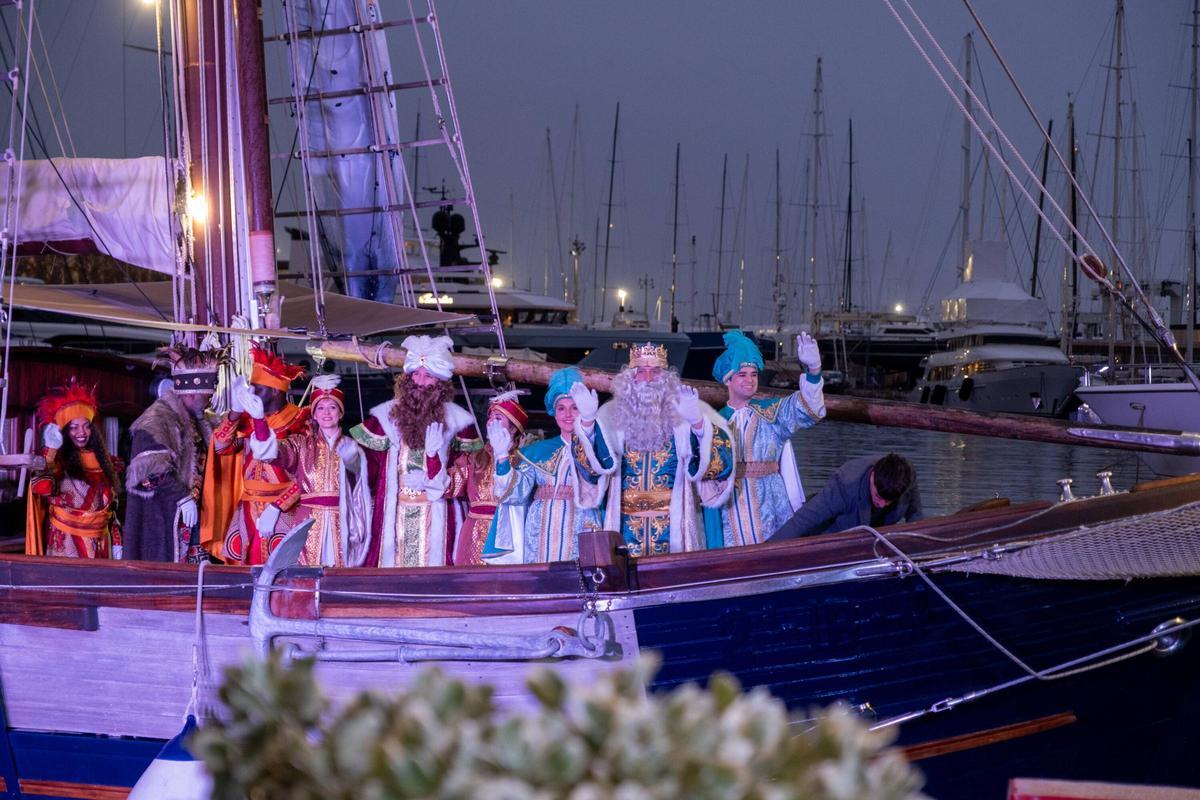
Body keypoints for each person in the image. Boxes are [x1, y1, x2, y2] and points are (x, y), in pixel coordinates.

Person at [587, 343, 734, 556]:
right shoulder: (608, 415)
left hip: (676, 528)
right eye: (641, 372)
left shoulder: (687, 412)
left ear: (666, 379)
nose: (647, 379)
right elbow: (590, 470)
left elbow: (722, 464)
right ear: (629, 379)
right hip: (623, 529)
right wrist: (587, 425)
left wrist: (699, 425)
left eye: (655, 372)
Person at [350, 335, 473, 567]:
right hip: (394, 514)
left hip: (438, 516)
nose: (419, 381)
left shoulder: (458, 423)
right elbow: (369, 467)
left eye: (427, 376)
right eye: (415, 374)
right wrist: (352, 460)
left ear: (440, 383)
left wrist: (432, 475)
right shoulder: (386, 417)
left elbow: (466, 478)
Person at [703, 330, 826, 548]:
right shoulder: (713, 423)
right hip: (729, 505)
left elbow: (808, 410)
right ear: (728, 380)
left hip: (772, 503)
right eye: (742, 375)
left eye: (754, 374)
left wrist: (814, 371)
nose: (750, 380)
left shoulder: (771, 414)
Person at [483, 368, 607, 564]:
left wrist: (589, 426)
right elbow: (515, 494)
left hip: (581, 525)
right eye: (561, 408)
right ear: (554, 413)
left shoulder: (598, 447)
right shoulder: (536, 452)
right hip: (538, 532)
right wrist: (501, 457)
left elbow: (596, 476)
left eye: (574, 407)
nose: (567, 414)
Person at [205, 345, 309, 565]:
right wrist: (234, 411)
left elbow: (309, 476)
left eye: (257, 388)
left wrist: (278, 505)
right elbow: (221, 448)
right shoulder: (248, 418)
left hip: (286, 509)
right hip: (248, 508)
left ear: (274, 391)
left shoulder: (301, 420)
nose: (251, 393)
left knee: (283, 570)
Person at [256, 374, 371, 567]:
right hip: (308, 523)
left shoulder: (354, 445)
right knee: (306, 578)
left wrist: (355, 461)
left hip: (344, 521)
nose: (327, 413)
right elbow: (270, 453)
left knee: (342, 577)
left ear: (341, 413)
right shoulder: (301, 444)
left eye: (333, 407)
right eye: (321, 408)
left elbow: (364, 483)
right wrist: (259, 420)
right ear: (314, 414)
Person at [124, 345, 221, 562]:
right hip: (165, 518)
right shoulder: (156, 420)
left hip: (198, 520)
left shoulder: (202, 418)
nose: (210, 400)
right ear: (193, 393)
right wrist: (182, 497)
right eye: (207, 395)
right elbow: (146, 473)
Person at [26, 379, 121, 559]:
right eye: (74, 427)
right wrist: (51, 449)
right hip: (67, 541)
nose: (82, 432)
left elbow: (112, 508)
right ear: (64, 432)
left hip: (102, 542)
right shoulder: (57, 461)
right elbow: (41, 487)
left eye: (86, 426)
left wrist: (117, 540)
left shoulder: (105, 461)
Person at [445, 391, 527, 565]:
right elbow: (449, 488)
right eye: (490, 417)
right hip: (473, 533)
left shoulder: (524, 459)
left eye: (498, 418)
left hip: (508, 534)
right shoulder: (474, 458)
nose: (491, 422)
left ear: (513, 427)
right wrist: (433, 458)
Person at [769, 453, 923, 540]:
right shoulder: (846, 482)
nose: (882, 504)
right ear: (872, 476)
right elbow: (804, 519)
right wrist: (765, 550)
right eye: (878, 496)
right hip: (829, 530)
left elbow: (915, 515)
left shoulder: (906, 478)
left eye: (888, 501)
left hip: (875, 536)